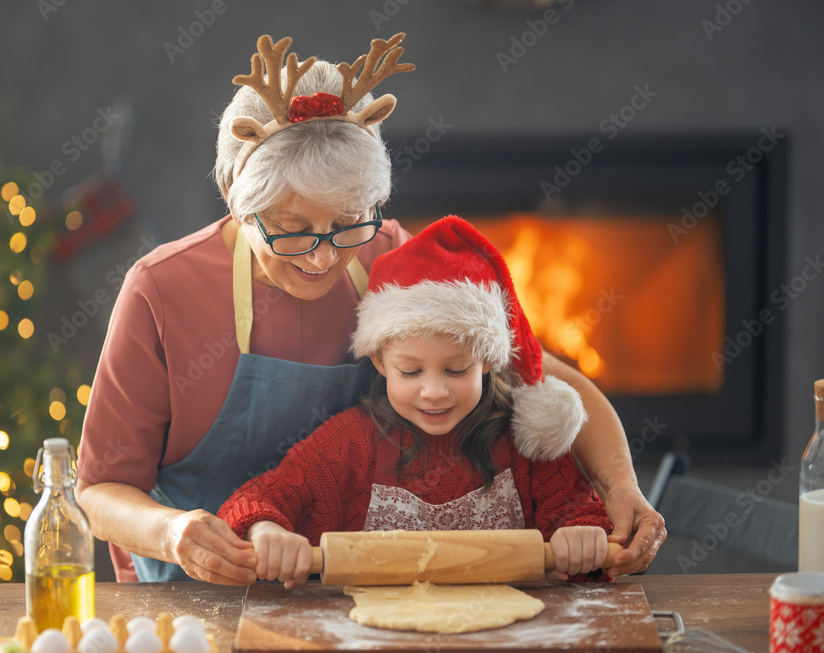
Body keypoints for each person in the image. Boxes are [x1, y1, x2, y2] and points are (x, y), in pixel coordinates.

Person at [74, 33, 665, 584]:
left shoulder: (388, 259)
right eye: (291, 229)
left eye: (347, 222)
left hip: (337, 591)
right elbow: (100, 491)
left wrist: (622, 488)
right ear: (236, 199)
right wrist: (173, 531)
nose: (323, 256)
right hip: (191, 593)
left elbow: (539, 372)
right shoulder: (159, 292)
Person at [218, 216, 615, 587]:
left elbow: (579, 511)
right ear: (380, 361)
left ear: (489, 363)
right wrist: (266, 531)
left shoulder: (527, 444)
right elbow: (255, 500)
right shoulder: (351, 445)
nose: (434, 391)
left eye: (456, 370)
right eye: (411, 372)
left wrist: (579, 536)